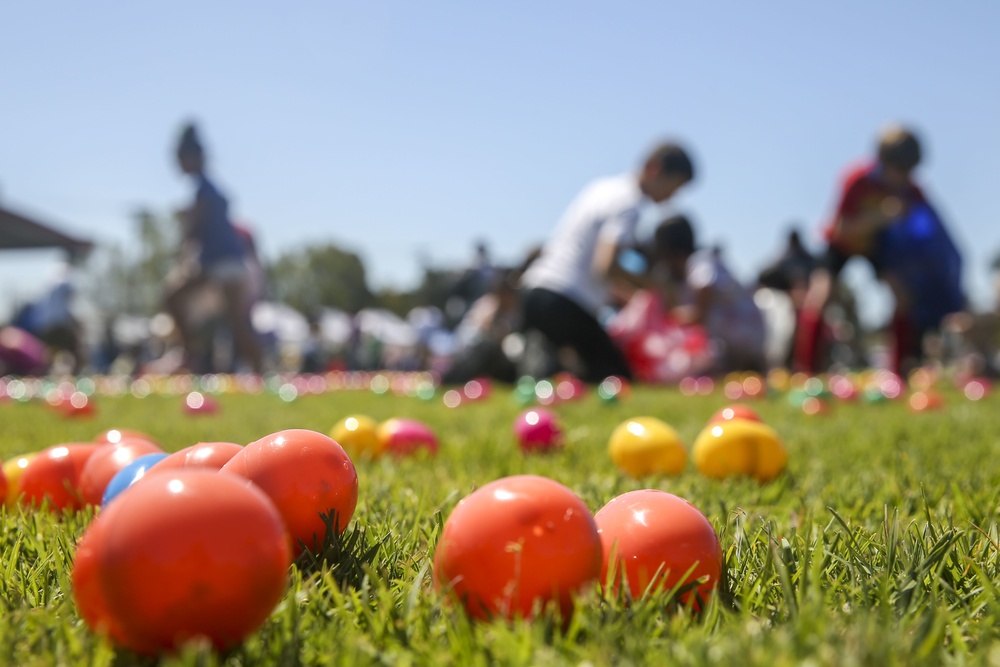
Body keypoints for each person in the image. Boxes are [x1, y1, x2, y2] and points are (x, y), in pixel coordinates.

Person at [519, 141, 695, 382]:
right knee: (615, 379)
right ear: (654, 169)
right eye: (672, 187)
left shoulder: (603, 187)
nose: (670, 198)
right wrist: (657, 287)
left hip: (536, 290)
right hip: (564, 299)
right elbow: (606, 266)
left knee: (553, 375)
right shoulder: (629, 202)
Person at [793, 125, 962, 374]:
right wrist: (880, 217)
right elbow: (840, 229)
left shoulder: (911, 190)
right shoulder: (857, 179)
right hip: (842, 244)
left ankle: (899, 370)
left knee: (902, 296)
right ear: (883, 161)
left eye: (909, 171)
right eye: (900, 170)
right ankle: (805, 370)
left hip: (878, 248)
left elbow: (929, 230)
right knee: (821, 294)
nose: (904, 177)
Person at [163, 122, 263, 373]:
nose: (179, 165)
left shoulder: (204, 190)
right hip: (223, 263)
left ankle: (191, 355)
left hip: (223, 263)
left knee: (175, 298)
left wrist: (184, 249)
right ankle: (259, 371)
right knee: (235, 322)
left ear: (193, 158)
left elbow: (193, 232)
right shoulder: (208, 188)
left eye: (181, 159)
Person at [650, 214, 767, 374]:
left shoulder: (700, 262)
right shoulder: (695, 266)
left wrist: (663, 316)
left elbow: (699, 314)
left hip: (743, 340)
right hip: (744, 339)